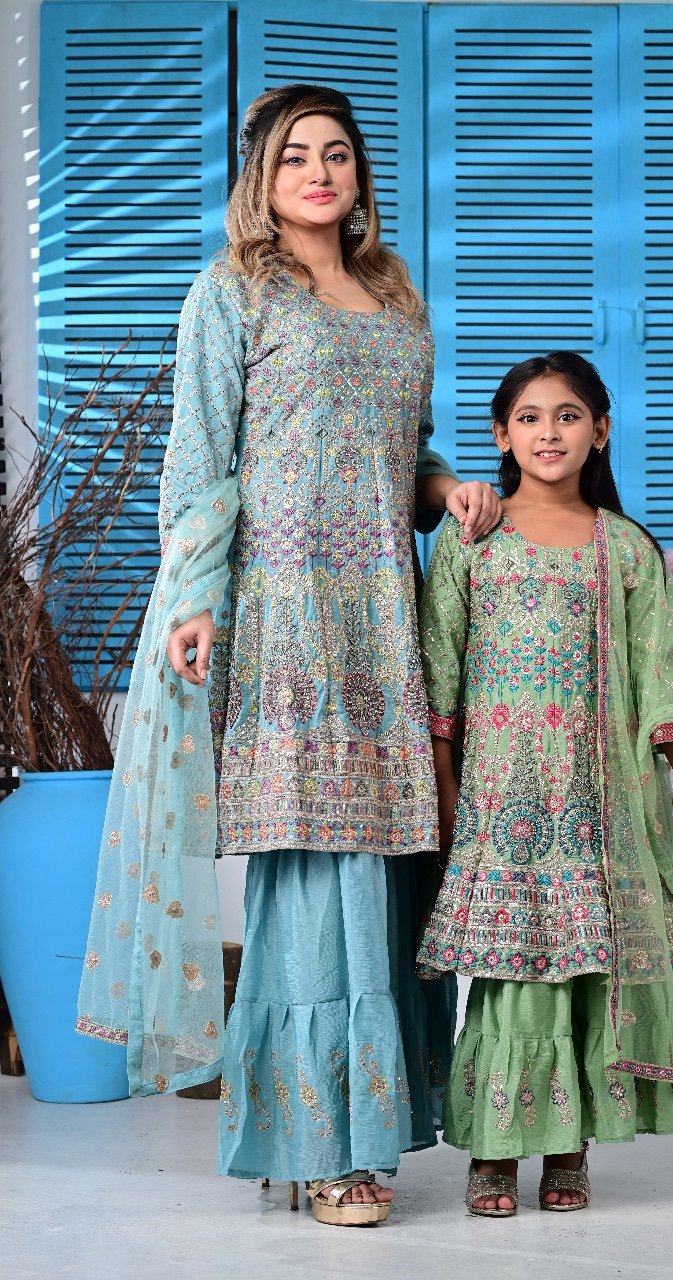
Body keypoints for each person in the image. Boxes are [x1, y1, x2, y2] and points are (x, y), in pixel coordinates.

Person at [77, 83, 501, 1228]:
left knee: (388, 865)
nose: (318, 172)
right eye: (294, 156)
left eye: (337, 154)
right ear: (260, 179)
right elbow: (199, 457)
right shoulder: (232, 290)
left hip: (384, 617)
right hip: (285, 612)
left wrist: (447, 489)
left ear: (360, 174)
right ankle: (317, 1144)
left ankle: (371, 1125)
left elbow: (402, 452)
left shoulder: (393, 294)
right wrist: (193, 599)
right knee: (316, 866)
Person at [415, 351, 673, 1216]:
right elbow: (438, 676)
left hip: (600, 802)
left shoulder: (623, 548)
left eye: (567, 416)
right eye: (529, 417)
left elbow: (663, 676)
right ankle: (491, 1152)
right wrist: (446, 792)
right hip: (502, 800)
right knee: (514, 972)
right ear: (499, 434)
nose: (547, 433)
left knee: (588, 968)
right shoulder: (471, 539)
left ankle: (565, 1148)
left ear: (601, 431)